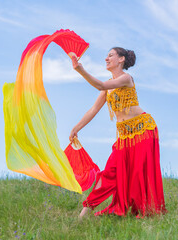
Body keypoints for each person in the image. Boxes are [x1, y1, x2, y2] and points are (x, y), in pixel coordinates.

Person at [69, 47, 167, 218]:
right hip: (124, 136)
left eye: (111, 55)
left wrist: (80, 69)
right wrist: (76, 128)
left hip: (143, 131)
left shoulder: (126, 78)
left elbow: (100, 84)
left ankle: (143, 210)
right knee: (109, 172)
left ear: (121, 59)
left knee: (137, 174)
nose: (106, 58)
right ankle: (83, 214)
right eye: (106, 56)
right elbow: (93, 109)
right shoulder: (108, 88)